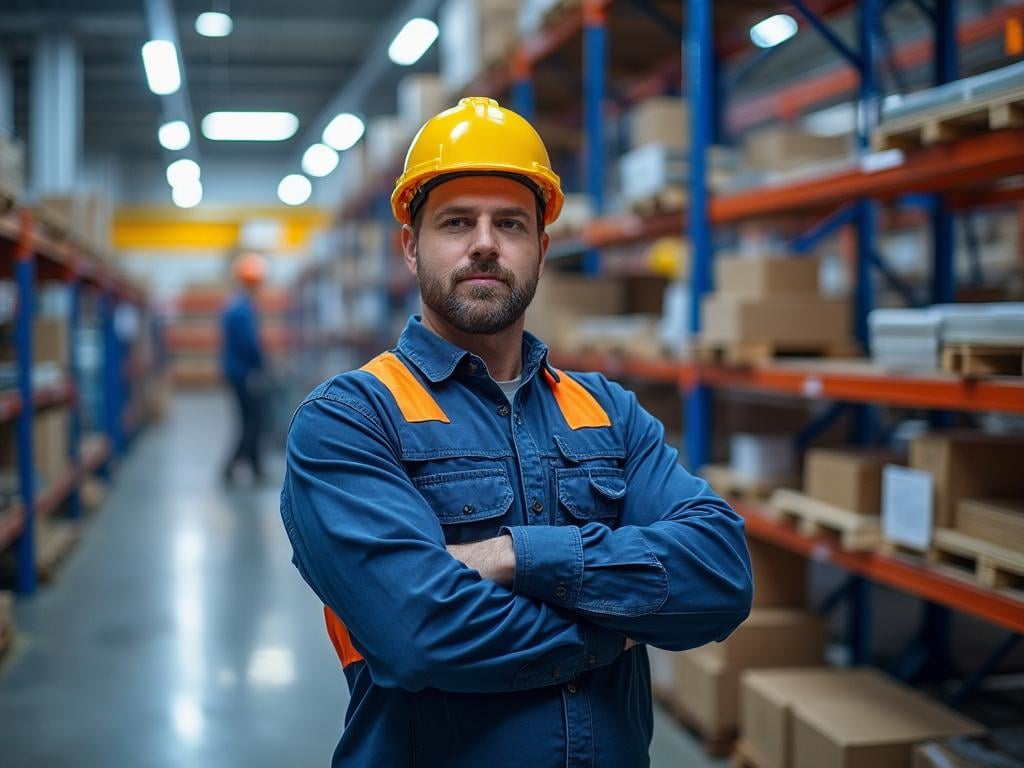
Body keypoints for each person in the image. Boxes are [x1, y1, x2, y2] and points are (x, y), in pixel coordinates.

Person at [280, 97, 752, 768]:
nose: (484, 243)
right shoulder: (351, 419)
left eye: (510, 223)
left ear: (541, 247)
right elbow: (416, 632)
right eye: (455, 222)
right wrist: (611, 630)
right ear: (411, 248)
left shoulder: (606, 412)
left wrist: (512, 556)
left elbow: (720, 574)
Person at [221, 250, 267, 483]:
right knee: (252, 421)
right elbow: (249, 343)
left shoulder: (237, 305)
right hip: (243, 373)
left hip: (237, 371)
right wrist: (263, 363)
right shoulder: (242, 309)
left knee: (252, 420)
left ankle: (255, 468)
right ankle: (231, 468)